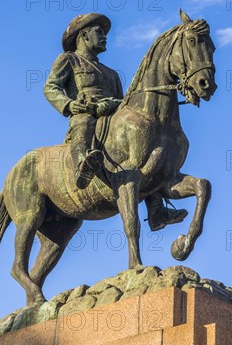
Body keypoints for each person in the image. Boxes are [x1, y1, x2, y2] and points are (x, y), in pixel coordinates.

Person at [44, 13, 187, 231]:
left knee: (145, 150)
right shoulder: (69, 60)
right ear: (83, 35)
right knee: (83, 122)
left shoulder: (111, 74)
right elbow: (51, 87)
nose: (104, 37)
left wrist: (114, 105)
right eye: (98, 32)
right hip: (85, 113)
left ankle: (157, 209)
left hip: (111, 115)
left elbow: (124, 103)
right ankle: (83, 165)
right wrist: (70, 105)